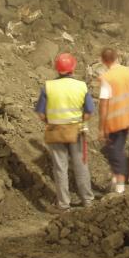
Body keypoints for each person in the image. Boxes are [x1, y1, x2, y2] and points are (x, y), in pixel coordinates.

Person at [34, 53, 96, 211]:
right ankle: (88, 201)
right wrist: (81, 121)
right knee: (81, 166)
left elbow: (41, 113)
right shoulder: (81, 86)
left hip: (55, 131)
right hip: (77, 131)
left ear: (57, 69)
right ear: (73, 68)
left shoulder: (48, 87)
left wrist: (52, 122)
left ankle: (63, 204)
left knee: (60, 168)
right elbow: (89, 111)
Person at [98, 47, 129, 194]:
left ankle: (120, 184)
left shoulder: (107, 78)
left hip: (114, 121)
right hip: (128, 117)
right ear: (116, 57)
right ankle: (116, 178)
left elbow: (103, 105)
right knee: (115, 148)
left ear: (103, 60)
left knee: (116, 151)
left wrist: (101, 128)